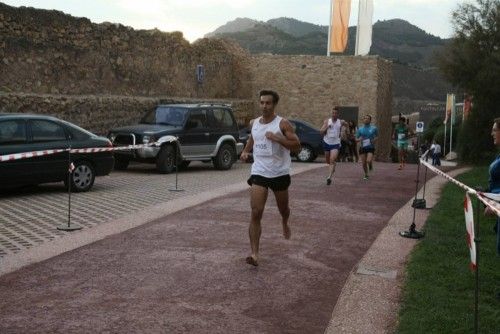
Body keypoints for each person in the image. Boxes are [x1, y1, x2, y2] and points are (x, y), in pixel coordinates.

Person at [240, 90, 301, 266]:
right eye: (262, 103)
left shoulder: (282, 124)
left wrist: (277, 138)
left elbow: (296, 145)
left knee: (283, 209)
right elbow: (253, 138)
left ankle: (284, 221)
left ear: (274, 105)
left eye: (268, 103)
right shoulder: (254, 123)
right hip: (259, 172)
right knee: (256, 212)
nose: (264, 106)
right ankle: (254, 254)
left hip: (279, 173)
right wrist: (245, 151)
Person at [320, 106, 348, 185]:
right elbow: (321, 132)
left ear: (338, 114)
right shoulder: (327, 121)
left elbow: (347, 124)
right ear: (331, 113)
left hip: (335, 143)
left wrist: (347, 132)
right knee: (328, 161)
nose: (334, 114)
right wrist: (327, 128)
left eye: (336, 113)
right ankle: (333, 165)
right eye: (333, 113)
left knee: (332, 160)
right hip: (326, 142)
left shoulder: (341, 122)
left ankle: (329, 177)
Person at [356, 114, 378, 180]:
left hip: (370, 147)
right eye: (365, 118)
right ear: (363, 120)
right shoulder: (360, 129)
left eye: (367, 118)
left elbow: (377, 136)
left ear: (370, 120)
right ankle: (366, 174)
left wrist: (374, 140)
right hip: (363, 147)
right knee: (363, 163)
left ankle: (370, 165)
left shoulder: (374, 128)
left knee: (368, 160)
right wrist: (359, 139)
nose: (366, 119)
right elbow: (356, 139)